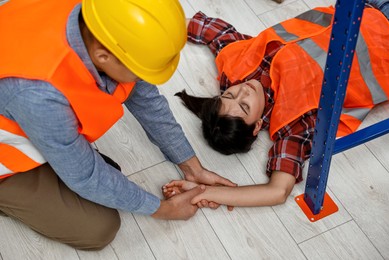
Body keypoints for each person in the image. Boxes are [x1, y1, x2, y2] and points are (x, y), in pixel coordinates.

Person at [0, 0, 236, 250]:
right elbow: (86, 176)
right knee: (98, 228)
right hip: (7, 161)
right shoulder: (38, 93)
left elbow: (147, 101)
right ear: (103, 56)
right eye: (138, 72)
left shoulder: (105, 17)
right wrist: (163, 209)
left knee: (110, 179)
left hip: (36, 121)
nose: (141, 79)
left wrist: (192, 167)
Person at [163, 2, 389, 208]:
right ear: (257, 125)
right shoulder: (292, 120)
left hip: (359, 6)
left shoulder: (237, 65)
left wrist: (147, 29)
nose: (242, 90)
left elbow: (205, 28)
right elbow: (278, 191)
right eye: (245, 106)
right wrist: (205, 192)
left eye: (229, 96)